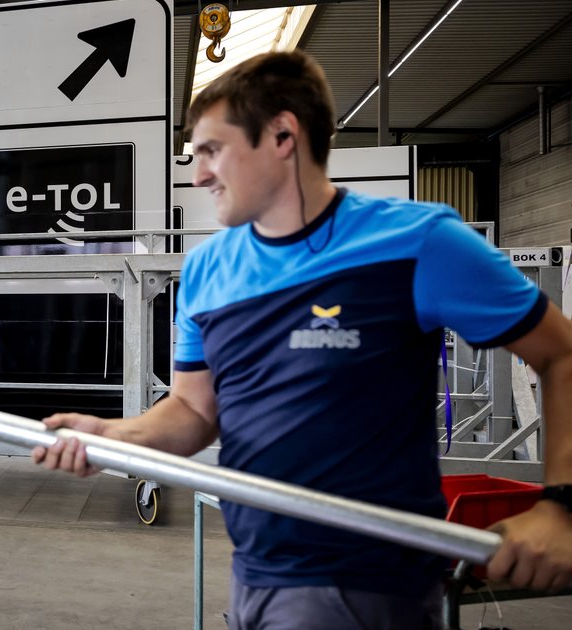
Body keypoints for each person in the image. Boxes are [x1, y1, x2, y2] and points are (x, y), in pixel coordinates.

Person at [32, 50, 572, 629]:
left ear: (283, 135)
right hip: (254, 573)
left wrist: (561, 507)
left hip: (366, 584)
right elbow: (193, 410)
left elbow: (562, 354)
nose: (198, 174)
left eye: (213, 150)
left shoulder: (417, 242)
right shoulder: (210, 269)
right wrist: (112, 437)